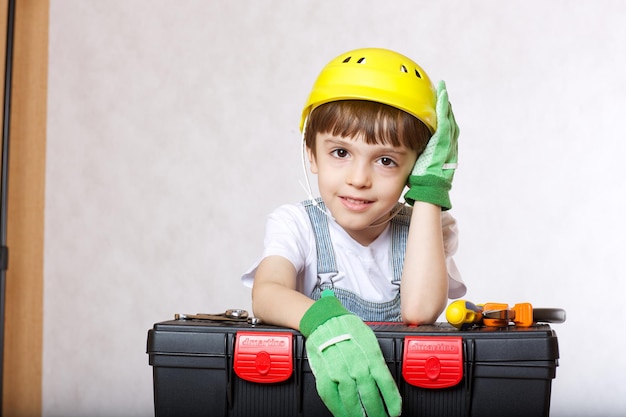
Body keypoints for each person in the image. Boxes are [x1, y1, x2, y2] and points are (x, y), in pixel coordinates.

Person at [241, 47, 466, 417]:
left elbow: (420, 310)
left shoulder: (426, 227)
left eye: (386, 160)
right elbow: (267, 293)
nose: (359, 179)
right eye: (341, 153)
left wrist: (430, 192)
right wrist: (327, 323)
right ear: (311, 153)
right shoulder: (297, 224)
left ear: (416, 167)